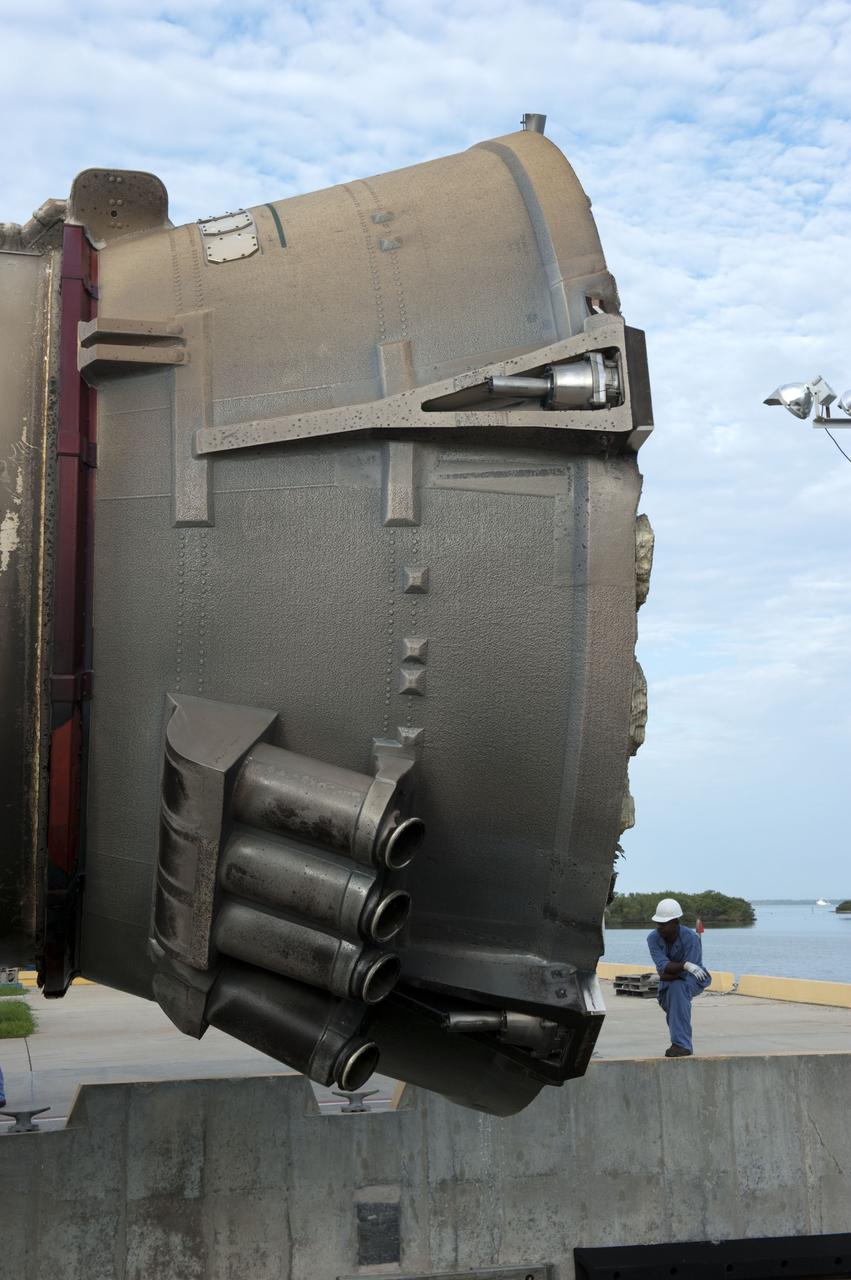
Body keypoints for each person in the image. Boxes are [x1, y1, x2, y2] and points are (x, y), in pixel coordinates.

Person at [646, 897, 711, 1057]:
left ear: (676, 922)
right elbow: (662, 968)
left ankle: (681, 1045)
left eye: (664, 923)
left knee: (678, 991)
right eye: (658, 923)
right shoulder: (652, 938)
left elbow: (688, 974)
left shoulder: (691, 938)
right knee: (673, 1005)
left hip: (694, 980)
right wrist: (684, 965)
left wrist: (671, 971)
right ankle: (680, 1043)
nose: (660, 927)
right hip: (669, 981)